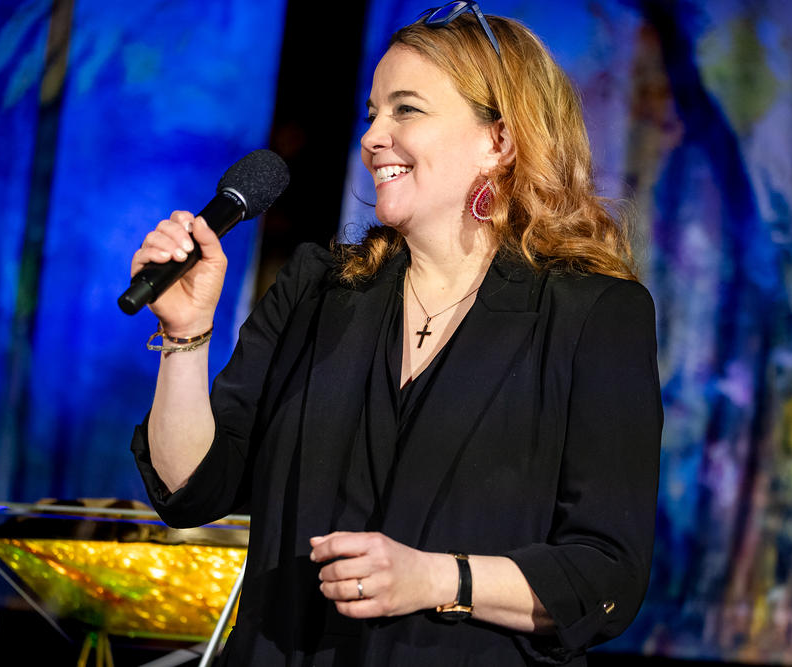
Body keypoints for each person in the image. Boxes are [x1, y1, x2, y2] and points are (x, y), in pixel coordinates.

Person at [129, 4, 662, 666]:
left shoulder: (593, 316)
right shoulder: (316, 290)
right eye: (371, 114)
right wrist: (186, 336)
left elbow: (606, 576)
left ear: (499, 140)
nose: (373, 137)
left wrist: (438, 579)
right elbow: (190, 488)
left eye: (405, 110)